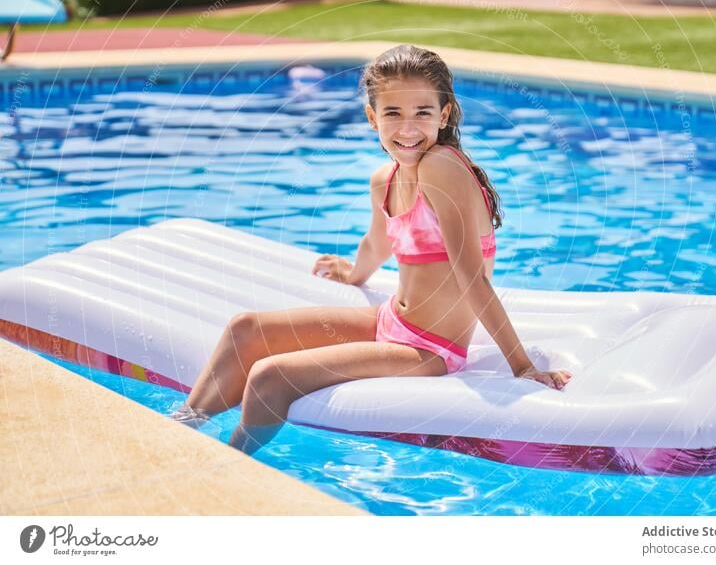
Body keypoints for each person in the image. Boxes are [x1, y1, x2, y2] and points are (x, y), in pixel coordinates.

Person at [171, 44, 572, 454]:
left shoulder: (442, 167)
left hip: (430, 350)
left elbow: (472, 277)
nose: (408, 128)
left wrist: (522, 366)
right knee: (246, 329)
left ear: (444, 114)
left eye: (423, 112)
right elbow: (377, 242)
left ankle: (224, 464)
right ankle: (179, 431)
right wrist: (352, 275)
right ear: (371, 117)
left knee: (270, 376)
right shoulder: (386, 178)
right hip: (389, 321)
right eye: (393, 113)